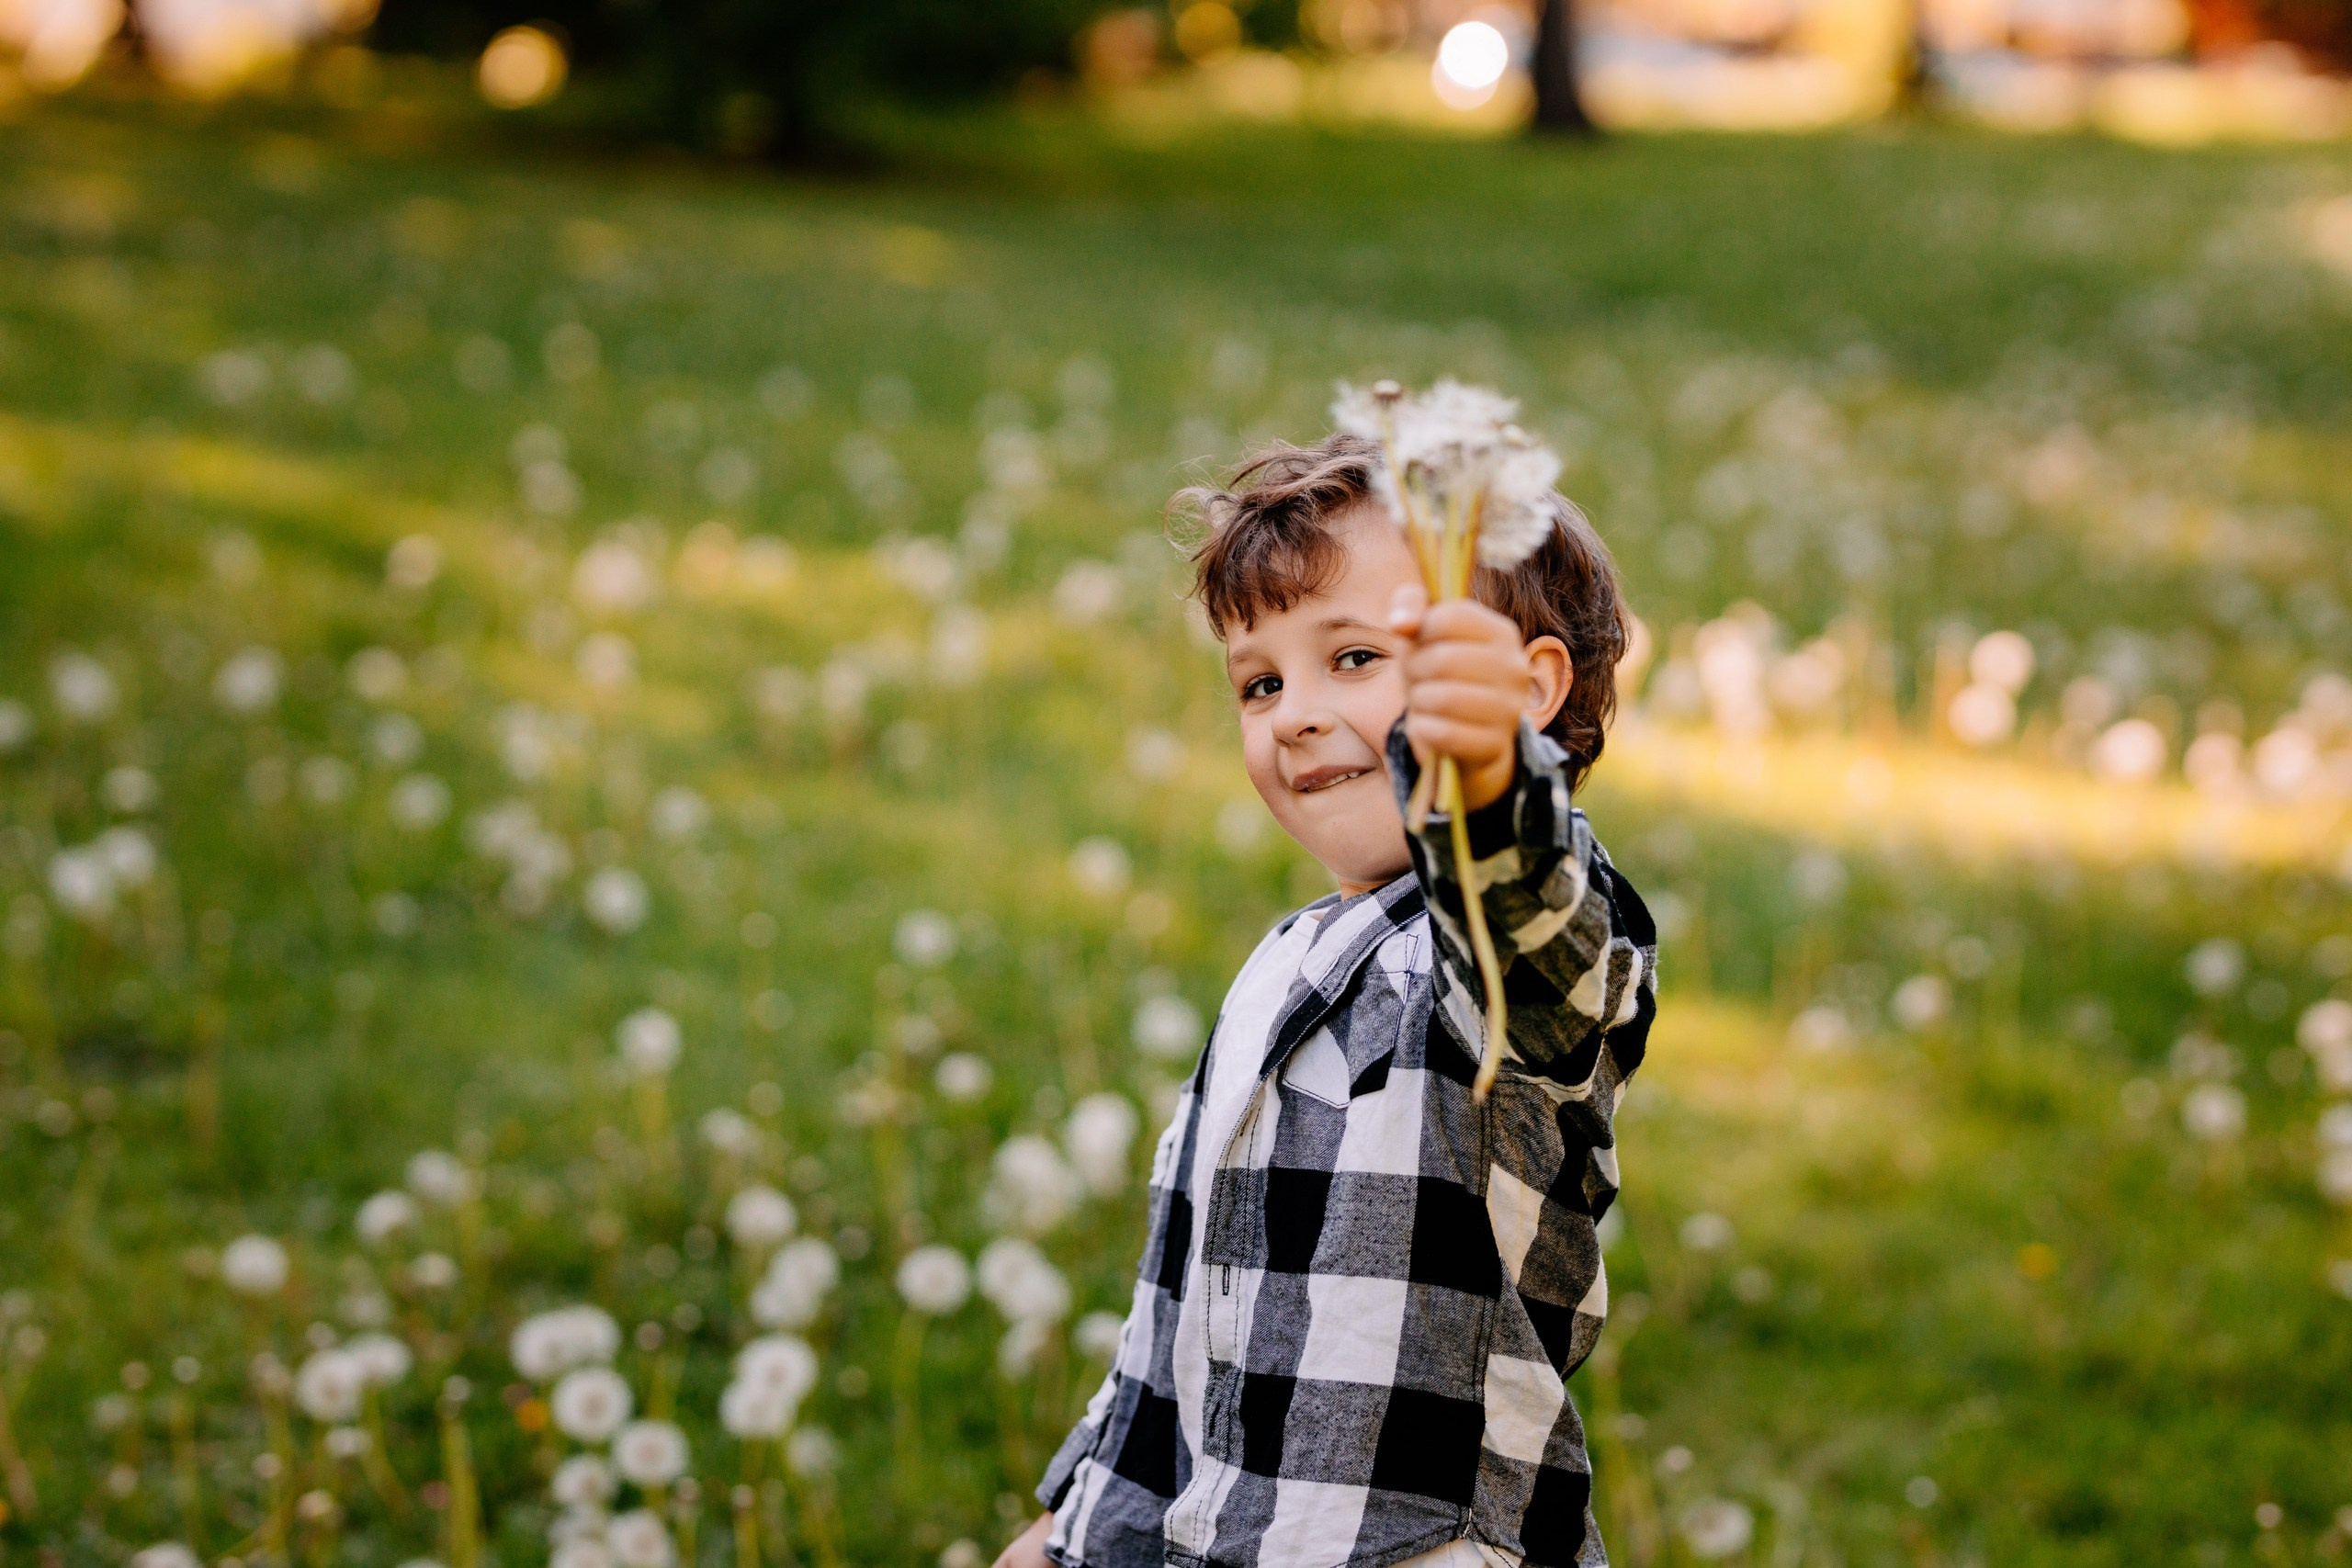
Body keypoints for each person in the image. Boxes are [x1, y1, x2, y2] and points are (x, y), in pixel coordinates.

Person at [997, 433, 1657, 1568]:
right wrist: (1080, 1527)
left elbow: (1521, 899)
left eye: (1353, 658)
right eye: (1261, 682)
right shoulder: (1284, 968)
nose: (1294, 713)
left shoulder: (1515, 955)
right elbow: (1183, 1325)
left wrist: (1484, 772)